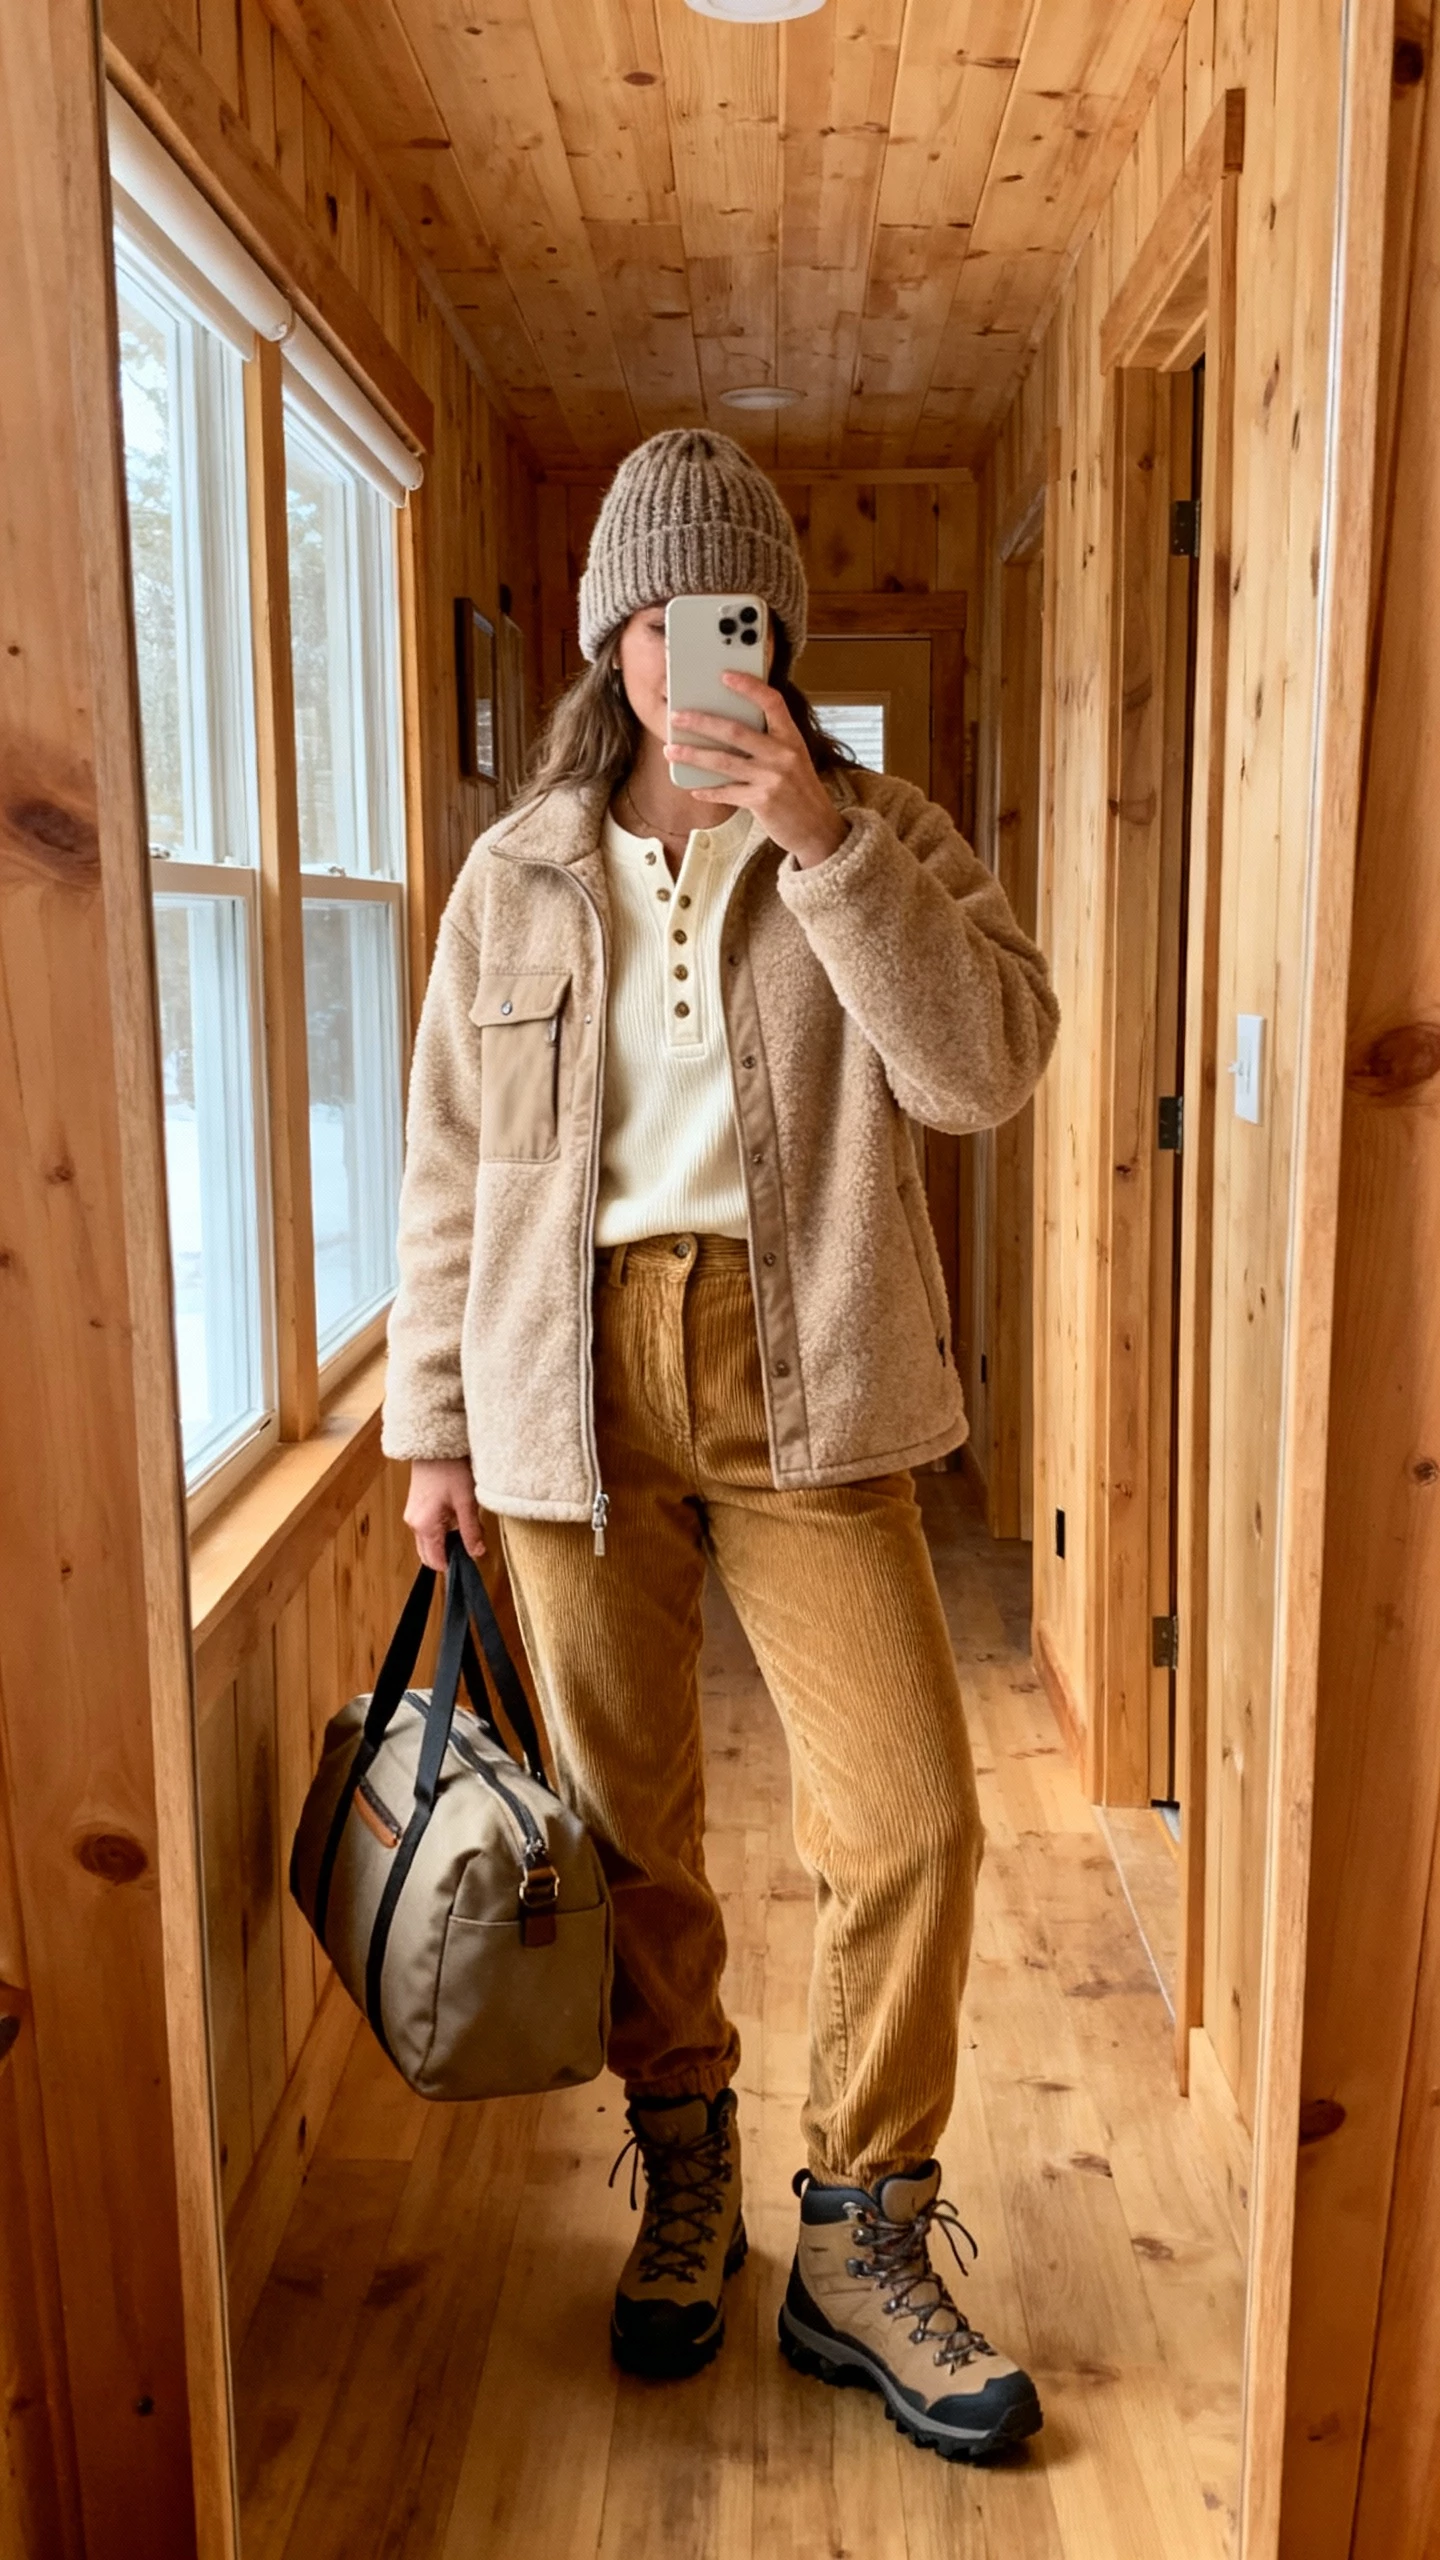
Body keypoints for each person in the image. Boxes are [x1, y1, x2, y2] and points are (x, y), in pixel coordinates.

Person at [382, 428, 1058, 2463]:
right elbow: (446, 1168)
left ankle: (858, 2226)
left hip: (817, 1374)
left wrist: (830, 843)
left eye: (740, 618)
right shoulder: (513, 877)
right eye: (671, 619)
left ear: (777, 634)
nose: (706, 654)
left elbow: (984, 1073)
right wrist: (430, 1426)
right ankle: (687, 2161)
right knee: (631, 1830)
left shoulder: (885, 827)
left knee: (915, 1817)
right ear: (615, 635)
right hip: (560, 1393)